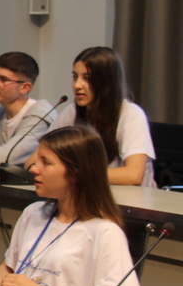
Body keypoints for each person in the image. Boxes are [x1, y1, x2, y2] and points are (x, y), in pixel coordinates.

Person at [0, 126, 144, 286]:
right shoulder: (33, 213)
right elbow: (8, 268)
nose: (33, 168)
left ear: (75, 173)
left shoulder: (103, 232)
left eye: (46, 162)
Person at [31, 46, 156, 187]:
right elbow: (33, 161)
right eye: (75, 77)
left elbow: (133, 175)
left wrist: (73, 174)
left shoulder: (131, 114)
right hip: (87, 198)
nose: (77, 85)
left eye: (87, 78)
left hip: (130, 203)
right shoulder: (73, 111)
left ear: (107, 82)